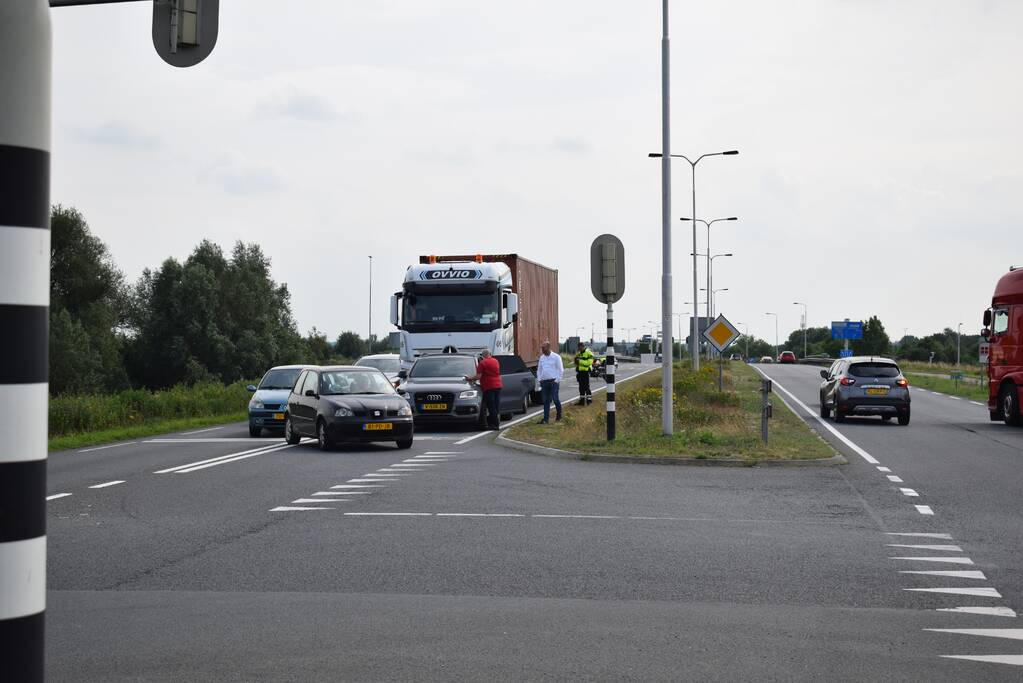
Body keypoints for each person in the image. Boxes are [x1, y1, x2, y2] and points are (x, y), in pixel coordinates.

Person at [464, 348, 502, 430]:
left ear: (483, 355)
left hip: (489, 386)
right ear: (490, 354)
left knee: (491, 407)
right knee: (496, 405)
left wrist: (469, 379)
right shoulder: (495, 361)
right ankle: (497, 422)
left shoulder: (483, 363)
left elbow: (478, 376)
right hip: (498, 385)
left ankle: (495, 425)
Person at [537, 340, 563, 423]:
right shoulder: (542, 358)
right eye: (541, 348)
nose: (542, 350)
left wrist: (557, 380)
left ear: (548, 347)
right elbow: (539, 370)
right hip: (544, 382)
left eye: (543, 348)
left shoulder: (556, 357)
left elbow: (560, 370)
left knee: (555, 399)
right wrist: (539, 379)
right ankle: (545, 419)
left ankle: (559, 416)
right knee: (545, 401)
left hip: (553, 382)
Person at [573, 341, 594, 405]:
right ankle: (582, 401)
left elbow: (589, 363)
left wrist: (579, 361)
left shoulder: (588, 352)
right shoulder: (579, 353)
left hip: (586, 371)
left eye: (580, 347)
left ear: (583, 346)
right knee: (581, 387)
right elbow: (575, 360)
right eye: (578, 347)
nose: (579, 349)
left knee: (586, 387)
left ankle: (589, 400)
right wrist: (575, 361)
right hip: (580, 372)